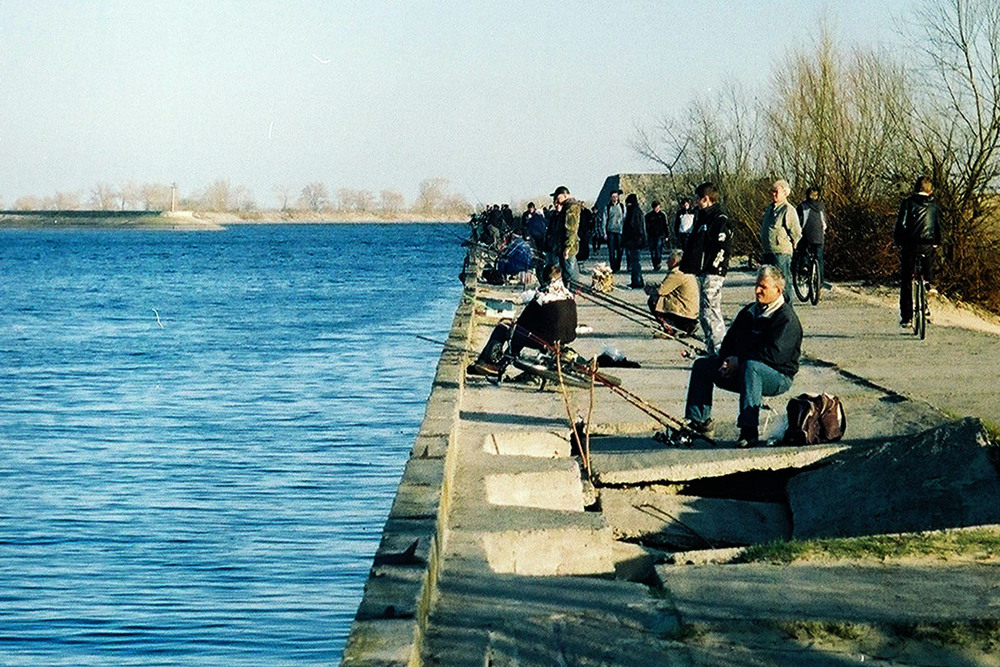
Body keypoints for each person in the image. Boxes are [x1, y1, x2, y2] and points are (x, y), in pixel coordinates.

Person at [684, 265, 803, 448]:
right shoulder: (749, 312)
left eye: (763, 287)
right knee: (702, 365)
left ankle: (749, 430)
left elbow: (774, 355)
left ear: (778, 290)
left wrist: (739, 362)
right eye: (757, 285)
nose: (757, 291)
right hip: (744, 367)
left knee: (751, 367)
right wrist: (727, 361)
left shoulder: (786, 318)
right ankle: (698, 421)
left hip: (777, 375)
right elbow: (729, 342)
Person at [467, 264, 578, 376]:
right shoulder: (569, 295)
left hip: (546, 339)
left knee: (506, 330)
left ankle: (492, 364)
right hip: (567, 336)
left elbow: (523, 321)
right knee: (522, 333)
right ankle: (496, 363)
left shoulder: (542, 298)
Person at [679, 182, 732, 355]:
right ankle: (712, 348)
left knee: (711, 312)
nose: (695, 201)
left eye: (697, 198)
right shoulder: (702, 217)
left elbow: (722, 247)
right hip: (702, 271)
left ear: (706, 199)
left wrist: (713, 267)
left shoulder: (719, 219)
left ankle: (720, 349)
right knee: (704, 314)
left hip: (713, 272)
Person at [894, 175, 942, 327]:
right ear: (930, 190)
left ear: (915, 189)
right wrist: (936, 242)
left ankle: (907, 317)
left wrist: (898, 241)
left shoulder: (907, 203)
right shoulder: (934, 206)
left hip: (910, 244)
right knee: (927, 262)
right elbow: (937, 226)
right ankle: (930, 284)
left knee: (907, 279)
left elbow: (901, 224)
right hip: (927, 243)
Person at [760, 179, 802, 304]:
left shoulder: (788, 209)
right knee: (769, 283)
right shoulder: (770, 209)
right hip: (768, 251)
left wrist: (792, 246)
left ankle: (787, 309)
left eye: (776, 191)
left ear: (785, 193)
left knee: (783, 283)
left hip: (781, 253)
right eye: (772, 191)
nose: (773, 194)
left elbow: (796, 231)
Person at [647, 249, 698, 334]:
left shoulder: (677, 273)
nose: (666, 262)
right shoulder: (686, 270)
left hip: (684, 313)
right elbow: (667, 286)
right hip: (691, 312)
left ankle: (670, 327)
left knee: (654, 300)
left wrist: (650, 290)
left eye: (668, 260)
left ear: (674, 261)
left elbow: (661, 291)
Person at [545, 185, 581, 284]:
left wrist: (568, 247)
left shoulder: (571, 208)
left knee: (569, 273)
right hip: (563, 245)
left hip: (568, 246)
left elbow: (571, 229)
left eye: (558, 197)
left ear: (565, 195)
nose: (556, 200)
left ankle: (571, 293)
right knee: (566, 272)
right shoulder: (566, 207)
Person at [795, 186, 827, 287]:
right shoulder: (821, 207)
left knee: (803, 249)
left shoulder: (802, 206)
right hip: (819, 237)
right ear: (817, 196)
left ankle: (804, 266)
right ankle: (820, 283)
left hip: (806, 235)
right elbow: (824, 223)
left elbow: (798, 223)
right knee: (819, 258)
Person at [622, 193, 647, 288]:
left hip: (634, 241)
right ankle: (638, 280)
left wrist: (630, 238)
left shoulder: (634, 212)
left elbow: (635, 227)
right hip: (636, 241)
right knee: (636, 262)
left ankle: (636, 281)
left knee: (635, 262)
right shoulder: (637, 211)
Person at [599, 190, 625, 272]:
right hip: (610, 231)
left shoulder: (622, 207)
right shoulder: (607, 207)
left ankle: (618, 265)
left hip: (620, 231)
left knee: (620, 250)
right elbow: (604, 220)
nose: (614, 198)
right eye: (613, 197)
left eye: (616, 196)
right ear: (610, 198)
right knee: (611, 251)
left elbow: (624, 219)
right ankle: (613, 267)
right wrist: (604, 233)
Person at [645, 200, 668, 271]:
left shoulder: (662, 215)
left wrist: (667, 235)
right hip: (651, 235)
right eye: (656, 207)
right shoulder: (648, 216)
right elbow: (646, 226)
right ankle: (655, 264)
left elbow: (665, 226)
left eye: (658, 207)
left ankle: (658, 262)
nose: (657, 209)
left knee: (658, 249)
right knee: (652, 250)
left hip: (660, 235)